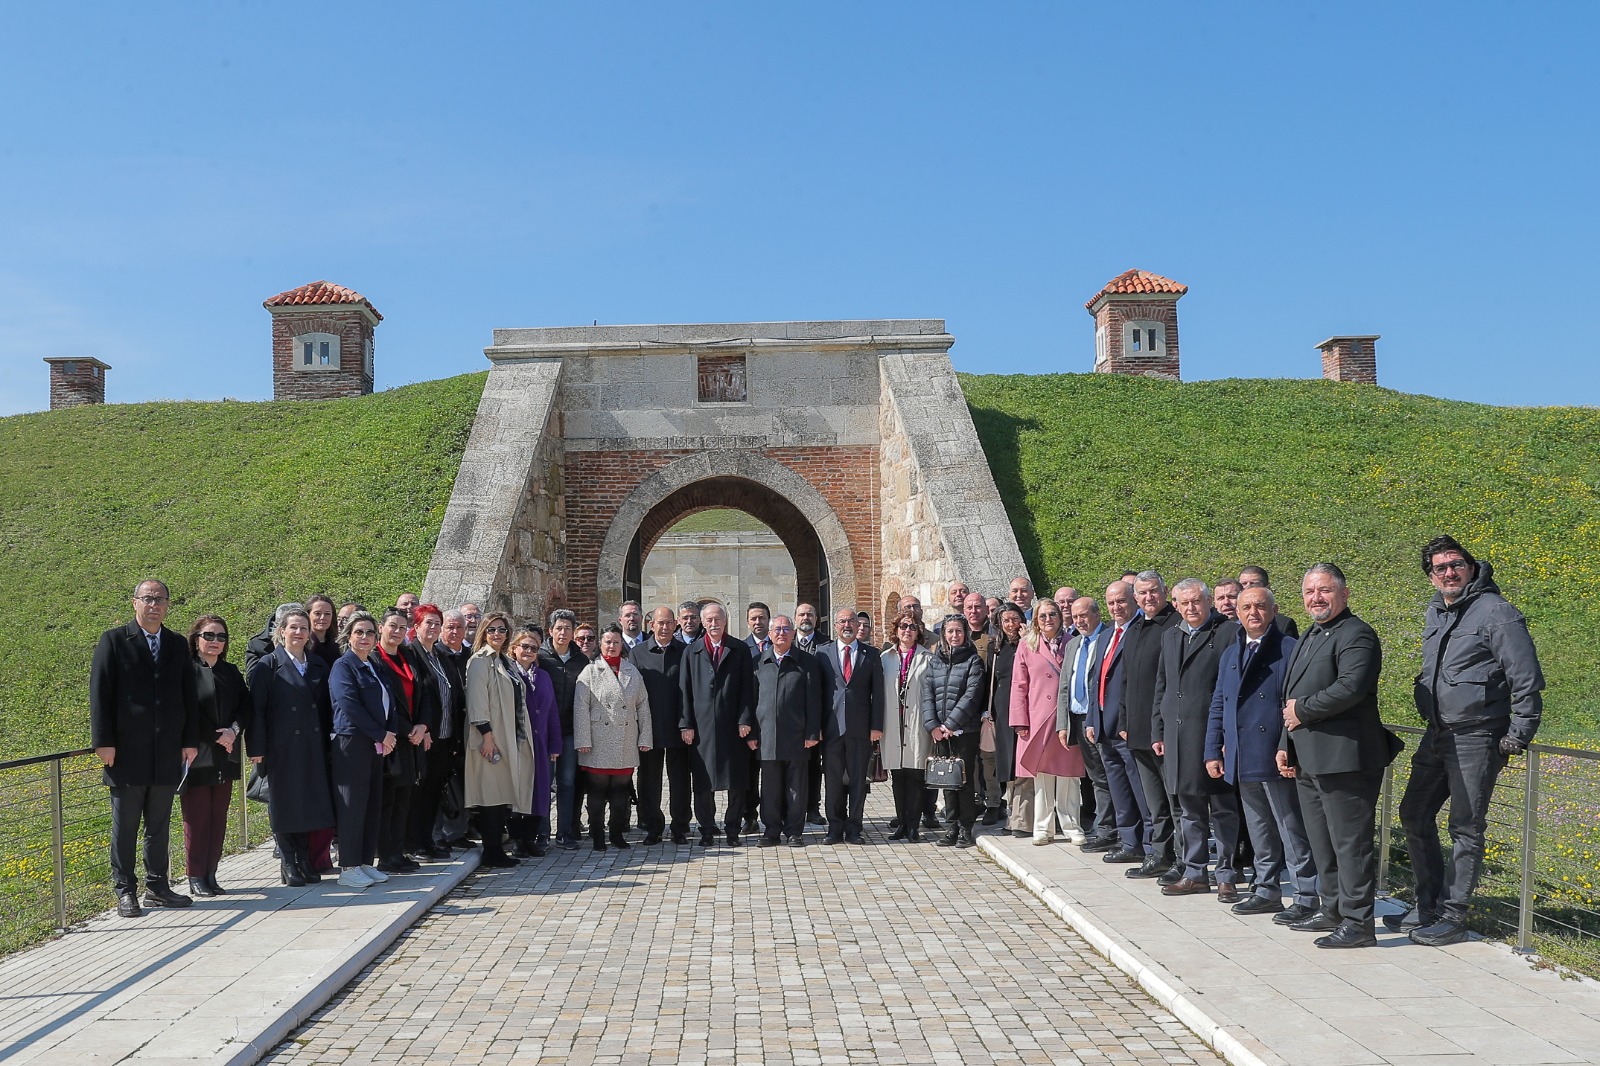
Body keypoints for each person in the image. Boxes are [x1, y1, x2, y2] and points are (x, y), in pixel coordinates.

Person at [1395, 536, 1544, 946]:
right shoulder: (1436, 612)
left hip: (1477, 734)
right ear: (1431, 577)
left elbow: (1525, 677)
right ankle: (1427, 905)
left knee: (1465, 826)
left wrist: (1520, 732)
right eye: (1440, 568)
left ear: (1471, 567)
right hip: (1438, 732)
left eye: (1456, 564)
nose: (1449, 572)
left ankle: (1453, 915)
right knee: (1413, 812)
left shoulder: (1496, 613)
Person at [1278, 563, 1393, 948]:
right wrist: (1285, 744)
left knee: (1350, 843)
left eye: (1324, 590)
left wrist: (1303, 711)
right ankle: (1332, 909)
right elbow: (1289, 698)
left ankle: (1359, 924)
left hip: (1346, 759)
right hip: (1309, 757)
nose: (1316, 598)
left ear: (1344, 593)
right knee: (1321, 842)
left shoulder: (1357, 634)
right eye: (1310, 591)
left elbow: (1351, 687)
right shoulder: (1311, 634)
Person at [1206, 586, 1318, 922]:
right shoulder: (1231, 652)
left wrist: (1287, 748)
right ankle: (1266, 889)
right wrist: (1213, 747)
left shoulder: (1289, 649)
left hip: (1274, 754)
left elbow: (1294, 703)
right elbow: (1219, 703)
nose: (1252, 613)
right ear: (1236, 612)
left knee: (1290, 827)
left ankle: (1307, 894)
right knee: (1258, 828)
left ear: (1274, 610)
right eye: (1245, 607)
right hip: (1242, 753)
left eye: (1260, 606)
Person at [91, 579, 201, 919]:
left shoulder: (176, 644)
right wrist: (104, 742)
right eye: (147, 599)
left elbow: (188, 695)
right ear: (135, 602)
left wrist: (189, 741)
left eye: (160, 600)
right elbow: (100, 693)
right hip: (126, 751)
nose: (154, 605)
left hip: (166, 749)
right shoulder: (113, 640)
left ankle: (158, 887)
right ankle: (125, 890)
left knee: (158, 824)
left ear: (167, 605)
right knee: (124, 826)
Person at [1151, 579, 1240, 899]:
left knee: (1223, 808)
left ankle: (1227, 874)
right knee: (1188, 808)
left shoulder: (1228, 632)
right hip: (1177, 736)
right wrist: (1157, 730)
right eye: (1184, 602)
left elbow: (1233, 689)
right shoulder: (1170, 636)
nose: (1191, 608)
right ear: (1175, 604)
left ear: (1208, 602)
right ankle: (1194, 872)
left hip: (1213, 736)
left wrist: (1228, 737)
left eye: (1197, 601)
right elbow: (1162, 687)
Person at [249, 603, 337, 888]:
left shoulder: (318, 664)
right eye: (293, 628)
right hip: (281, 746)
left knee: (308, 803)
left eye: (303, 628)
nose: (299, 632)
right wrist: (257, 749)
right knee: (286, 804)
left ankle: (304, 858)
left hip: (313, 745)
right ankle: (289, 862)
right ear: (281, 632)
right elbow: (257, 710)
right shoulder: (268, 665)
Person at [1119, 570, 1182, 882]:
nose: (1148, 598)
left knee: (1176, 800)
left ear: (1164, 591)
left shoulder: (1175, 626)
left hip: (1166, 730)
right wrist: (1123, 720)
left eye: (1153, 592)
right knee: (1155, 801)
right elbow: (1126, 679)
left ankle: (1183, 860)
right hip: (1138, 730)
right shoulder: (1134, 629)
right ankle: (1160, 854)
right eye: (1142, 593)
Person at [326, 611, 397, 888]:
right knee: (352, 804)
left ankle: (365, 862)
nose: (365, 637)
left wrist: (389, 733)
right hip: (351, 741)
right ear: (349, 637)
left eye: (369, 632)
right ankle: (348, 866)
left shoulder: (374, 665)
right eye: (359, 632)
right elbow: (349, 705)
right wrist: (382, 733)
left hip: (375, 742)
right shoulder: (343, 666)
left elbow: (388, 700)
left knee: (371, 803)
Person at [679, 602, 756, 845]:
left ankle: (733, 829)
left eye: (718, 619)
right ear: (703, 622)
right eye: (709, 620)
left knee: (736, 781)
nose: (714, 624)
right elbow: (685, 690)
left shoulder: (739, 649)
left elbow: (747, 687)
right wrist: (686, 724)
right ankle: (707, 829)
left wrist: (745, 719)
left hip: (732, 726)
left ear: (725, 621)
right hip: (701, 729)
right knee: (703, 782)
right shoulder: (692, 652)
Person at [181, 615, 246, 897]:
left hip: (226, 754)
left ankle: (211, 873)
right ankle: (195, 875)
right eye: (209, 635)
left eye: (221, 637)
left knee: (218, 816)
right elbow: (187, 712)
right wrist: (217, 735)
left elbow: (247, 706)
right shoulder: (185, 671)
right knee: (196, 817)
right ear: (196, 639)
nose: (215, 642)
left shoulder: (230, 671)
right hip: (198, 754)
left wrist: (232, 731)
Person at [463, 611, 534, 868]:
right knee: (490, 796)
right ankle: (491, 851)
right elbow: (477, 702)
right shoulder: (480, 662)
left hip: (508, 736)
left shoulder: (504, 660)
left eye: (502, 630)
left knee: (502, 794)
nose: (497, 634)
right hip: (488, 737)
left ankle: (497, 848)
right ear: (484, 632)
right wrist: (487, 737)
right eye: (492, 629)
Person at [1012, 598, 1085, 845]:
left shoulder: (1073, 643)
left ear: (1060, 616)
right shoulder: (1026, 645)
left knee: (1068, 774)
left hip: (1066, 717)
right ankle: (1043, 826)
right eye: (1042, 616)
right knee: (1042, 775)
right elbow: (1019, 685)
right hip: (1038, 717)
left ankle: (1071, 825)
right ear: (1036, 620)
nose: (1047, 620)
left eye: (1052, 614)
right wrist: (1020, 720)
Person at [1085, 582, 1149, 865]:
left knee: (1141, 789)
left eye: (1121, 601)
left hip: (1127, 726)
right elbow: (1096, 680)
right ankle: (1129, 841)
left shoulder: (1140, 631)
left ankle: (1150, 844)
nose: (1116, 608)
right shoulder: (1107, 635)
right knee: (1118, 789)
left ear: (1134, 600)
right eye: (1111, 603)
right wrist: (1091, 719)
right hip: (1103, 726)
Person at [573, 626, 652, 850]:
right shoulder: (590, 671)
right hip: (598, 740)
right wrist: (583, 740)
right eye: (608, 642)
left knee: (620, 792)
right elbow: (580, 707)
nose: (612, 646)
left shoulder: (632, 671)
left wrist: (645, 736)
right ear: (601, 643)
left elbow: (643, 705)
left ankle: (617, 834)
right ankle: (598, 835)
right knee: (597, 792)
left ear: (621, 644)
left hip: (625, 739)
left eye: (616, 642)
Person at [814, 607, 887, 845]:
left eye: (851, 621)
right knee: (833, 781)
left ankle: (854, 827)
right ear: (835, 626)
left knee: (858, 781)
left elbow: (878, 692)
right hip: (831, 728)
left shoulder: (871, 654)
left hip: (861, 728)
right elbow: (817, 692)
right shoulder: (822, 653)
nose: (847, 625)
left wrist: (876, 726)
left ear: (859, 626)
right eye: (842, 621)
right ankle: (835, 827)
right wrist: (817, 727)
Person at [369, 608, 432, 873]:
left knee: (405, 795)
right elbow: (387, 704)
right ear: (381, 628)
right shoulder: (374, 660)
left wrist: (423, 725)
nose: (396, 632)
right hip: (392, 737)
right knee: (388, 798)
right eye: (392, 626)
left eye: (401, 627)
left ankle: (399, 850)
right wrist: (409, 729)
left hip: (412, 736)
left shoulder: (408, 656)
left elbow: (425, 691)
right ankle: (386, 854)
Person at [750, 616, 821, 845]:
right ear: (770, 634)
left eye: (786, 629)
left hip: (797, 736)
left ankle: (794, 831)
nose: (781, 633)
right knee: (769, 788)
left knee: (796, 787)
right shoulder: (758, 662)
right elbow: (750, 701)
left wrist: (812, 732)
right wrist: (751, 733)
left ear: (793, 633)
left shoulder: (807, 662)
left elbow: (814, 700)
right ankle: (771, 831)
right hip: (766, 735)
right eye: (777, 629)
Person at [921, 615, 986, 848]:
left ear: (965, 633)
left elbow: (972, 695)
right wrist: (933, 726)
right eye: (950, 632)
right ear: (944, 634)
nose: (954, 636)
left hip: (963, 731)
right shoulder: (935, 662)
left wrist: (950, 724)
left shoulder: (973, 661)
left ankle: (966, 828)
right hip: (940, 732)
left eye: (958, 631)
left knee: (964, 781)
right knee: (946, 780)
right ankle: (951, 826)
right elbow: (927, 695)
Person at [1058, 597, 1115, 850]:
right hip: (1078, 719)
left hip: (1101, 719)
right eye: (1075, 616)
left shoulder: (1108, 638)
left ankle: (1110, 830)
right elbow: (1064, 687)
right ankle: (1106, 827)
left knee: (1110, 777)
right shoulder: (1073, 645)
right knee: (1096, 777)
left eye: (1084, 615)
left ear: (1096, 613)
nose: (1079, 621)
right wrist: (1063, 723)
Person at [632, 606, 691, 843]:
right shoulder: (638, 653)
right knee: (649, 779)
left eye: (669, 623)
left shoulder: (685, 652)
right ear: (651, 625)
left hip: (679, 726)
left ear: (675, 624)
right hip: (649, 726)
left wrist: (687, 723)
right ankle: (653, 826)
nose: (664, 628)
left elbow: (689, 690)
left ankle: (680, 826)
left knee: (679, 779)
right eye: (660, 623)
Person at [505, 627, 563, 855]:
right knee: (518, 791)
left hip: (541, 743)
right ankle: (517, 840)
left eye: (534, 648)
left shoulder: (543, 676)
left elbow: (552, 712)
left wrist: (555, 744)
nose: (528, 651)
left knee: (538, 791)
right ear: (514, 649)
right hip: (518, 742)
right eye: (524, 647)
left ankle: (530, 838)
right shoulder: (508, 674)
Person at [405, 605, 456, 860]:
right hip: (423, 737)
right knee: (419, 793)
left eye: (437, 623)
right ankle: (414, 843)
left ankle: (428, 839)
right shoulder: (411, 654)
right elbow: (416, 694)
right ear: (416, 627)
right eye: (429, 623)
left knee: (434, 792)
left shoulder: (439, 654)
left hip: (443, 738)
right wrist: (423, 726)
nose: (434, 628)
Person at [881, 610, 932, 842]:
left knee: (916, 775)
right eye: (903, 626)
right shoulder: (886, 658)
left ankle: (913, 824)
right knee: (898, 775)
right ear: (895, 630)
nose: (907, 631)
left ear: (918, 631)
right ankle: (901, 822)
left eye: (912, 627)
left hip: (916, 723)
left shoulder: (928, 658)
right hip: (893, 723)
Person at [539, 609, 587, 849]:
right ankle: (542, 831)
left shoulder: (581, 660)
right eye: (559, 627)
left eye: (568, 628)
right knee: (544, 782)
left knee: (567, 782)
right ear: (550, 630)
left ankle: (565, 831)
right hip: (545, 731)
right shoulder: (541, 657)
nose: (563, 632)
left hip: (570, 730)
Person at [432, 609, 473, 849]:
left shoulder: (470, 655)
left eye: (459, 627)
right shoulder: (436, 655)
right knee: (439, 785)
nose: (455, 631)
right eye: (450, 627)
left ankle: (459, 832)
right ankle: (439, 835)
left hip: (465, 730)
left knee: (461, 784)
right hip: (442, 730)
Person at [989, 603, 1030, 837]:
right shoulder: (996, 647)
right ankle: (1012, 816)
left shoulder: (1029, 643)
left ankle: (1022, 819)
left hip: (1024, 708)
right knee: (1007, 764)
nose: (1011, 625)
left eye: (1015, 619)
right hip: (1002, 709)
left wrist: (1027, 640)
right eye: (1006, 621)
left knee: (1022, 762)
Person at [741, 601, 773, 834]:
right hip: (752, 722)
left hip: (774, 723)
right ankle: (749, 816)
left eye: (762, 618)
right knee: (749, 776)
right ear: (747, 621)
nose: (758, 622)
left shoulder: (781, 644)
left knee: (774, 773)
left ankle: (774, 817)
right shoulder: (741, 650)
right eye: (753, 618)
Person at [793, 601, 824, 824]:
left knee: (814, 765)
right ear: (795, 619)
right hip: (790, 717)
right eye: (802, 614)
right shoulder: (784, 642)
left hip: (815, 716)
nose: (806, 618)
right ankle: (791, 807)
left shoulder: (826, 645)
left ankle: (813, 808)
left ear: (816, 619)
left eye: (810, 614)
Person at [1240, 567, 1299, 638]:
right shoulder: (1228, 628)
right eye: (1243, 584)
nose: (1248, 588)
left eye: (1254, 584)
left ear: (1267, 587)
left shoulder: (1283, 624)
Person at [306, 594, 340, 669]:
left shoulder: (338, 646)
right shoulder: (303, 644)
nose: (322, 618)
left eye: (327, 614)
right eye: (317, 613)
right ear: (308, 615)